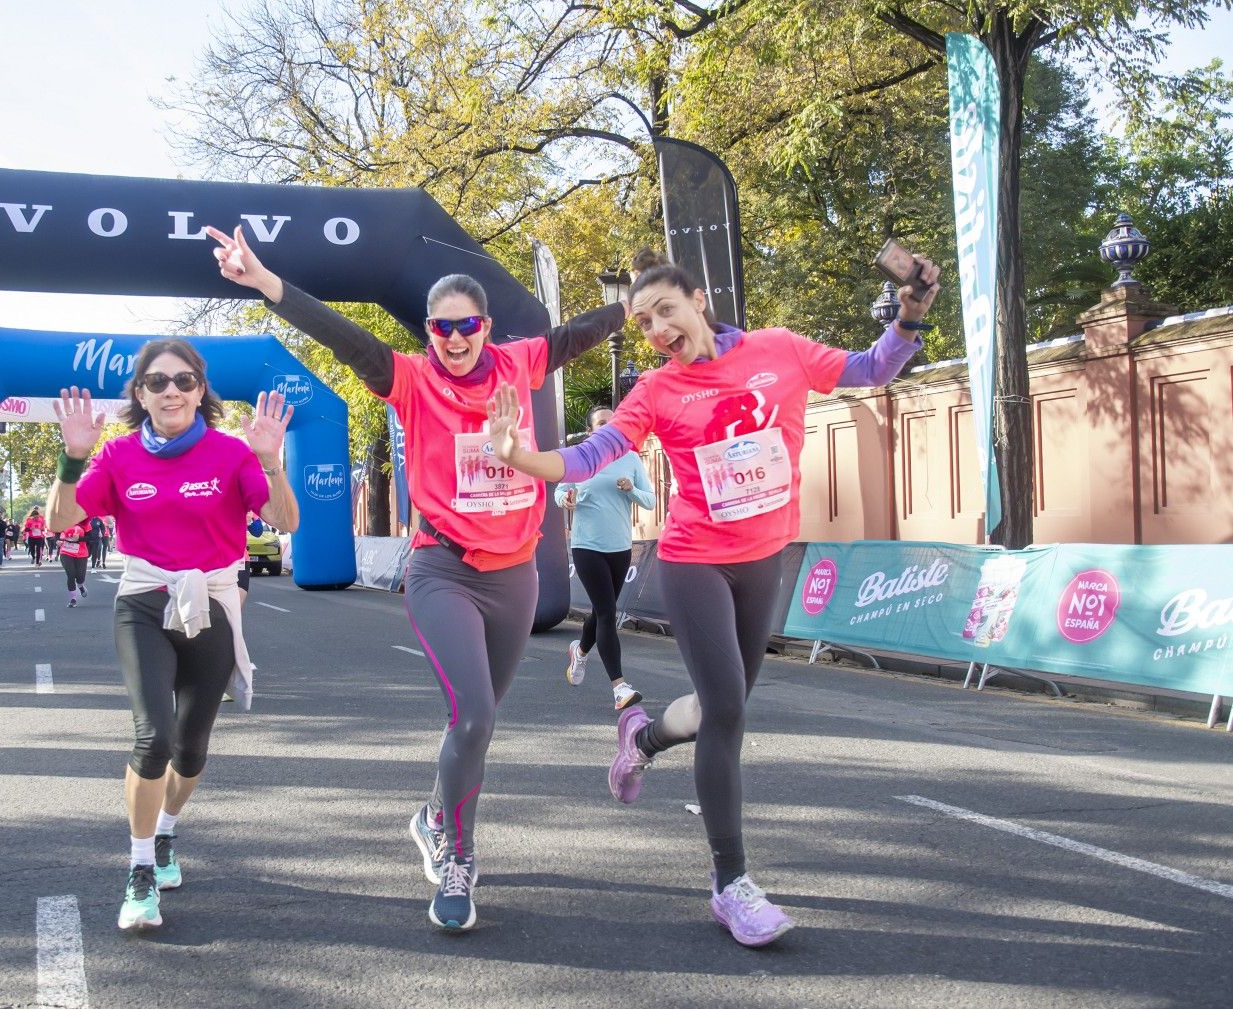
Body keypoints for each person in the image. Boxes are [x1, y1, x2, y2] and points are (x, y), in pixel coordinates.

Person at [485, 248, 939, 947]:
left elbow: (869, 369)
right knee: (727, 707)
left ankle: (643, 736)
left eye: (664, 309)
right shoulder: (657, 392)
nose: (656, 328)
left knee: (716, 709)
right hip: (696, 560)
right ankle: (731, 883)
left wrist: (908, 315)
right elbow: (586, 457)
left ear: (698, 299)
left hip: (764, 558)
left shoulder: (778, 349)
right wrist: (518, 453)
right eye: (641, 322)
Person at [208, 223, 628, 931]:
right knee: (473, 714)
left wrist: (637, 304)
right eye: (442, 327)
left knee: (476, 728)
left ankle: (433, 810)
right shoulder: (407, 378)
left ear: (485, 327)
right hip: (442, 569)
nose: (455, 337)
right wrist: (264, 281)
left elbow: (577, 334)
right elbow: (339, 332)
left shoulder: (518, 362)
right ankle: (457, 855)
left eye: (466, 325)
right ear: (429, 331)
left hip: (514, 574)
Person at [45, 339, 299, 933]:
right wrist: (73, 459)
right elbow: (61, 521)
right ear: (140, 394)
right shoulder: (118, 455)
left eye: (184, 381)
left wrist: (271, 461)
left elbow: (286, 522)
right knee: (152, 737)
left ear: (200, 390)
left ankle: (165, 832)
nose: (171, 392)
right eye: (157, 383)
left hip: (211, 599)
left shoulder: (233, 454)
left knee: (189, 750)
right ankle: (138, 871)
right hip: (143, 600)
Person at [555, 405, 655, 710]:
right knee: (608, 612)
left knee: (602, 611)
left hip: (620, 547)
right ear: (590, 431)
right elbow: (559, 493)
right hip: (587, 547)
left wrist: (632, 489)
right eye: (601, 423)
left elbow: (650, 500)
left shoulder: (630, 458)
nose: (608, 427)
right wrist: (566, 499)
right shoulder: (581, 457)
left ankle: (581, 651)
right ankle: (619, 687)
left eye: (612, 423)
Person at [58, 522, 91, 607]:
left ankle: (80, 586)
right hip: (66, 552)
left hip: (81, 554)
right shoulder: (63, 521)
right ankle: (73, 599)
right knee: (71, 574)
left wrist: (79, 538)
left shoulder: (85, 524)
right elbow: (56, 534)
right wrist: (57, 541)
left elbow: (91, 537)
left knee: (80, 577)